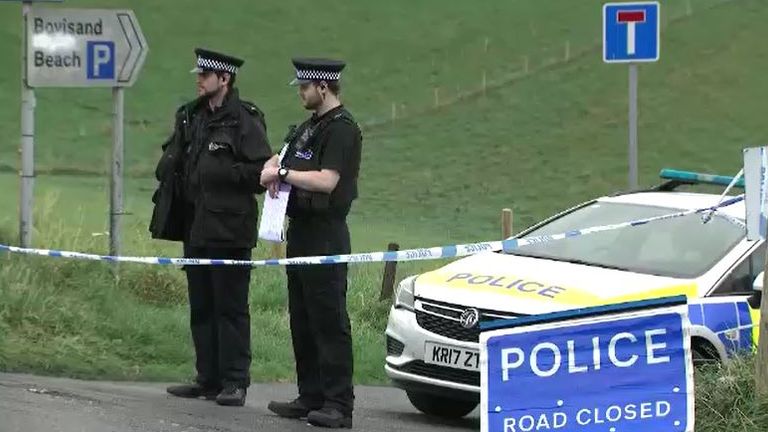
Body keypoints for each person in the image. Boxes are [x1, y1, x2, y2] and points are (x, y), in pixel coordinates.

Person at [149, 48, 272, 407]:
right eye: (198, 75)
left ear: (225, 79)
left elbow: (261, 173)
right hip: (196, 225)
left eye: (205, 75)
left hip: (230, 230)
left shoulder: (244, 120)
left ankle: (235, 381)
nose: (198, 80)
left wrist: (223, 173)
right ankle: (207, 378)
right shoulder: (192, 117)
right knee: (202, 304)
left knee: (230, 308)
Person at [260, 58, 362, 428]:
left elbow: (327, 181)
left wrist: (284, 174)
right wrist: (273, 167)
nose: (300, 92)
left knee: (328, 319)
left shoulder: (342, 129)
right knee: (302, 318)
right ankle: (310, 395)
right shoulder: (307, 128)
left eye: (304, 87)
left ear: (323, 87)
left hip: (326, 233)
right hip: (300, 230)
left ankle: (339, 404)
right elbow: (282, 156)